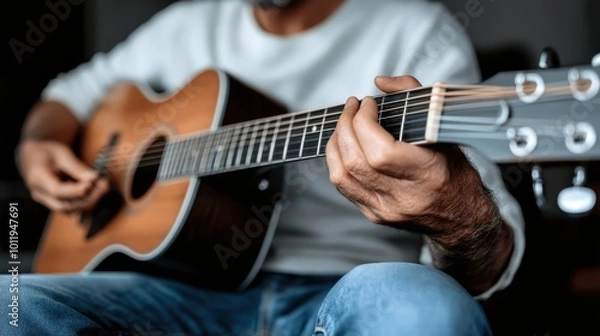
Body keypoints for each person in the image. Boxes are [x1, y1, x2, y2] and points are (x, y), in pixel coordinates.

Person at [4, 0, 525, 335]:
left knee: (429, 316)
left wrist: (457, 214)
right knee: (11, 302)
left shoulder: (415, 29)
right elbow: (68, 96)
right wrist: (38, 145)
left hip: (348, 288)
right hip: (174, 291)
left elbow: (492, 252)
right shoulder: (184, 24)